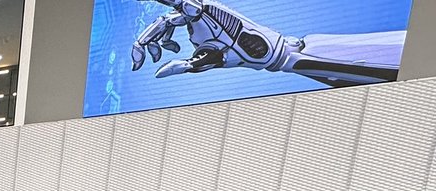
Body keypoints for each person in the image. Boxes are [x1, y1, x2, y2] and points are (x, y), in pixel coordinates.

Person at [132, 1, 406, 87]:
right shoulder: (210, 27)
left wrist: (189, 64)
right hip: (302, 57)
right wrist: (192, 63)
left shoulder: (211, 17)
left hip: (304, 54)